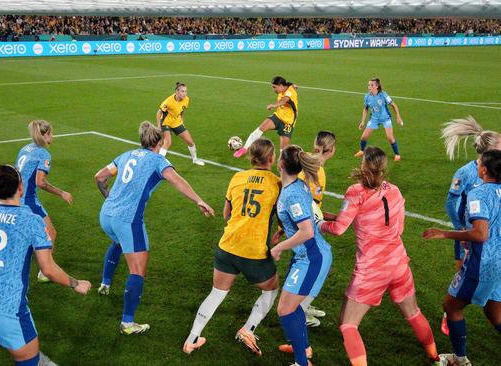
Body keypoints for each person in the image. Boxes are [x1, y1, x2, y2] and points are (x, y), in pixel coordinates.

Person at [0, 165, 91, 366]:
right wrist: (76, 283)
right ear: (20, 187)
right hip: (8, 306)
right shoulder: (31, 221)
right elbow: (48, 269)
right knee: (29, 360)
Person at [320, 147, 440, 366]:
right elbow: (398, 226)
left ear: (364, 164)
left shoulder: (356, 192)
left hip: (372, 268)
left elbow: (338, 229)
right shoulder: (394, 190)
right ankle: (435, 356)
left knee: (348, 325)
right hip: (398, 262)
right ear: (384, 168)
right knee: (413, 313)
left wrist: (319, 224)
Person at [95, 121, 214, 335]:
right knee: (137, 270)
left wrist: (109, 198)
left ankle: (105, 283)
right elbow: (177, 181)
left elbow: (100, 177)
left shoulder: (126, 155)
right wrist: (199, 200)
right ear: (159, 141)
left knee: (118, 242)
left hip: (106, 215)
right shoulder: (159, 161)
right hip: (128, 220)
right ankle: (128, 323)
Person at [182, 138, 281, 356]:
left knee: (216, 293)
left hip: (227, 246)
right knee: (271, 289)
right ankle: (248, 329)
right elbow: (282, 217)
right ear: (272, 158)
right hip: (253, 251)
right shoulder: (276, 183)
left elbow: (227, 214)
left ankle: (192, 339)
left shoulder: (237, 177)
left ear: (250, 157)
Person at [423, 149, 501, 366]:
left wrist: (445, 233)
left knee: (451, 307)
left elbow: (480, 234)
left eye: (479, 163)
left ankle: (459, 360)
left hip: (483, 263)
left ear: (484, 170)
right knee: (495, 313)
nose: (476, 165)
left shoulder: (479, 193)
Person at [270, 145, 332, 366]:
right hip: (308, 254)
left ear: (281, 165)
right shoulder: (298, 185)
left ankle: (302, 362)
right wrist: (282, 230)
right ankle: (303, 349)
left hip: (311, 257)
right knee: (291, 307)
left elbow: (305, 231)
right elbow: (300, 222)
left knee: (285, 310)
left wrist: (278, 248)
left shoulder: (292, 194)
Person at [440, 116, 501, 335]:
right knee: (462, 276)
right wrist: (459, 228)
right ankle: (450, 313)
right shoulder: (466, 174)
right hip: (470, 236)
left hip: (490, 241)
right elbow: (451, 202)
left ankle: (454, 310)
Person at [15, 119, 73, 283]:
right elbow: (40, 182)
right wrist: (61, 193)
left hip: (16, 197)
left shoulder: (25, 148)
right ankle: (45, 271)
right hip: (29, 201)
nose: (52, 136)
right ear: (46, 134)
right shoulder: (43, 154)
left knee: (24, 235)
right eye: (51, 133)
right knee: (51, 233)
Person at [234, 76, 298, 158]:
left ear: (281, 86)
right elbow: (290, 85)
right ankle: (244, 148)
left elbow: (284, 100)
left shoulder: (290, 92)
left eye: (274, 87)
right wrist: (293, 85)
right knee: (261, 128)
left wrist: (274, 105)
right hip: (278, 116)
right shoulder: (286, 87)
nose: (273, 89)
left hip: (288, 123)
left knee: (283, 151)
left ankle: (282, 166)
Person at [156, 82, 205, 166]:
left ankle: (195, 159)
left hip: (176, 122)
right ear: (177, 92)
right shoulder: (168, 101)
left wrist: (181, 119)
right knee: (168, 142)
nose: (184, 93)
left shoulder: (186, 99)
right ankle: (158, 163)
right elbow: (159, 113)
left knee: (190, 142)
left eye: (186, 91)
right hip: (166, 123)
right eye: (182, 91)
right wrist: (159, 126)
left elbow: (182, 109)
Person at [354, 78, 404, 161]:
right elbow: (365, 108)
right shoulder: (367, 97)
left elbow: (394, 105)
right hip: (374, 119)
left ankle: (397, 154)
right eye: (368, 85)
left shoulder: (383, 95)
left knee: (390, 138)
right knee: (363, 137)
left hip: (385, 119)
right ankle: (362, 150)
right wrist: (362, 121)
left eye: (372, 85)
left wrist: (398, 117)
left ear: (377, 86)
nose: (369, 87)